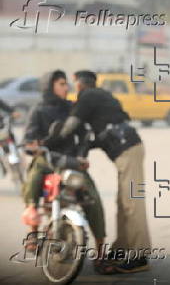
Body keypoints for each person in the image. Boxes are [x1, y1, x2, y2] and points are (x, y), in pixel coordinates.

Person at [58, 70, 151, 273]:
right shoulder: (103, 96)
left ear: (80, 84)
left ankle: (140, 256)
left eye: (74, 85)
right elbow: (100, 132)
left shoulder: (88, 96)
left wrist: (55, 140)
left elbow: (72, 125)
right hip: (126, 150)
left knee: (132, 203)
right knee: (123, 202)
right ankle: (122, 248)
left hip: (127, 151)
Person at [20, 70, 106, 265]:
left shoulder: (73, 108)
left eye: (66, 84)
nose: (66, 87)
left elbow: (84, 134)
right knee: (34, 174)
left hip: (72, 162)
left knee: (92, 197)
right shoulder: (39, 111)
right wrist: (33, 145)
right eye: (61, 84)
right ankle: (33, 231)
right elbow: (29, 139)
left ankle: (101, 249)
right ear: (49, 87)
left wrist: (81, 156)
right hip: (47, 161)